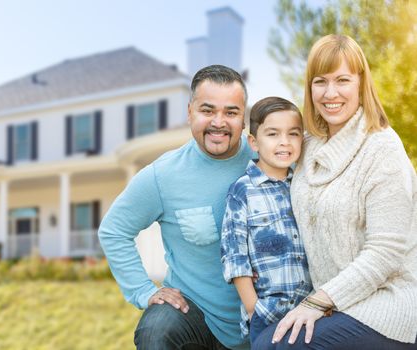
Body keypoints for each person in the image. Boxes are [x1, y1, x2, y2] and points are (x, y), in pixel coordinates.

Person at [253, 34, 417, 349]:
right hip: (333, 303)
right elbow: (266, 159)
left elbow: (385, 252)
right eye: (320, 81)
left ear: (360, 83)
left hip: (387, 304)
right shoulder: (309, 144)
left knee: (278, 347)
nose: (330, 93)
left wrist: (317, 303)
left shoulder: (382, 149)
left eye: (342, 80)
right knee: (261, 340)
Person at [98, 64, 254, 350]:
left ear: (243, 118)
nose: (218, 122)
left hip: (265, 319)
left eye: (231, 112)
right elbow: (113, 230)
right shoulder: (163, 175)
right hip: (197, 317)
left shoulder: (268, 160)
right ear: (190, 112)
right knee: (157, 329)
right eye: (207, 110)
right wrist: (143, 291)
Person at [220, 96, 313, 346]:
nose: (284, 142)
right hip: (269, 315)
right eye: (273, 134)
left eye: (293, 134)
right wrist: (255, 310)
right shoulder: (243, 191)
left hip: (312, 311)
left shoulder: (305, 185)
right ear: (253, 142)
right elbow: (235, 259)